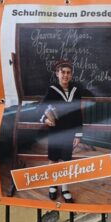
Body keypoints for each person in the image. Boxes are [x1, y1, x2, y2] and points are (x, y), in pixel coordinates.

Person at [41, 60, 90, 201]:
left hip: (69, 132)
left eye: (68, 73)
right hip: (55, 132)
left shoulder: (76, 91)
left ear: (71, 75)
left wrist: (78, 134)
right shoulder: (52, 90)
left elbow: (78, 114)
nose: (65, 75)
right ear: (57, 73)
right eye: (63, 72)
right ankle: (52, 186)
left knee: (66, 160)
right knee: (53, 159)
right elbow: (41, 108)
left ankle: (65, 188)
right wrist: (45, 120)